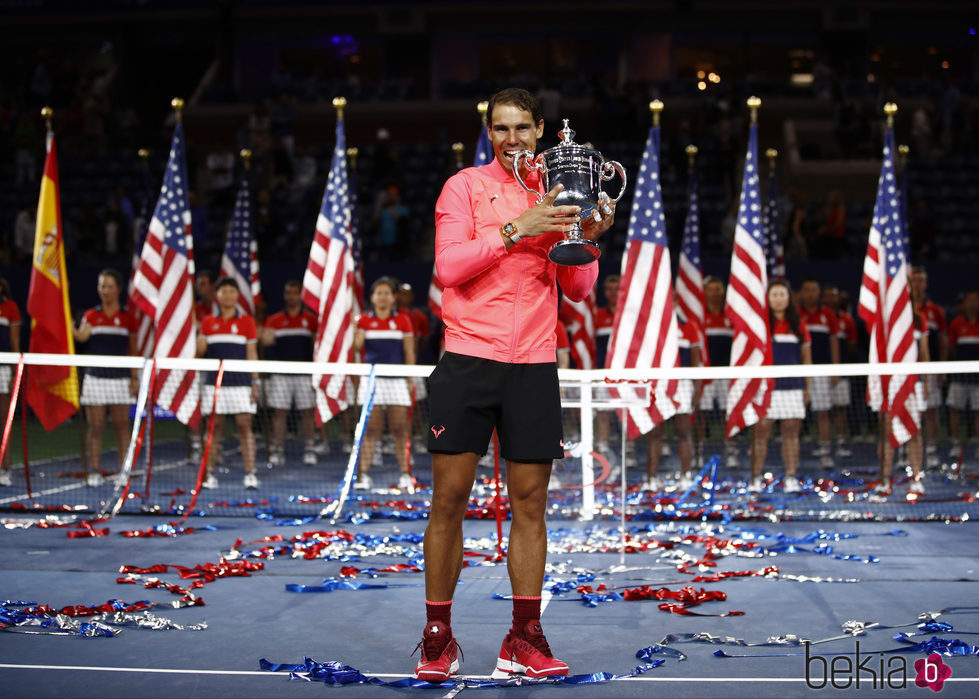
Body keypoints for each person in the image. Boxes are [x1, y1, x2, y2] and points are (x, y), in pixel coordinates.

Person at [413, 87, 614, 682]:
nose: (512, 139)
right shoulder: (464, 188)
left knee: (531, 505)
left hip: (532, 364)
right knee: (448, 501)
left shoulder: (557, 189)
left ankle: (524, 637)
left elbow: (576, 291)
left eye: (522, 128)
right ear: (489, 131)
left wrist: (586, 236)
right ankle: (437, 637)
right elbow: (448, 268)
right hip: (467, 361)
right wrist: (515, 227)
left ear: (541, 129)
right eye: (501, 129)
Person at [72, 269, 138, 487]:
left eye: (110, 286)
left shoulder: (128, 317)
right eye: (102, 286)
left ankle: (124, 470)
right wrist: (68, 322)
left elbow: (134, 349)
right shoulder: (91, 315)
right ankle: (93, 470)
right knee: (96, 427)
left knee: (121, 426)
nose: (106, 291)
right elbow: (81, 336)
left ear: (118, 289)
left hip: (120, 379)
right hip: (96, 378)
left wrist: (134, 378)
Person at [353, 277, 416, 491]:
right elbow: (356, 347)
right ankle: (364, 477)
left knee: (400, 430)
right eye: (378, 293)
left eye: (386, 293)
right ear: (371, 298)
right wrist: (355, 329)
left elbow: (409, 351)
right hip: (372, 382)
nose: (382, 297)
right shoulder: (362, 320)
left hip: (397, 380)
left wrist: (410, 378)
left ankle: (405, 475)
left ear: (393, 298)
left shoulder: (403, 320)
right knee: (371, 431)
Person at [197, 277, 260, 490]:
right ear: (217, 296)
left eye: (232, 291)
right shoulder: (207, 322)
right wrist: (197, 340)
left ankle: (250, 473)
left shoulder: (247, 322)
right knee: (214, 429)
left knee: (245, 427)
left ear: (237, 295)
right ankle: (210, 474)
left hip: (241, 384)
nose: (228, 295)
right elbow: (200, 353)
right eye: (223, 291)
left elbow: (252, 354)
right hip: (214, 385)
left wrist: (255, 382)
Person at [750, 280, 811, 494]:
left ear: (789, 297)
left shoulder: (798, 324)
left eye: (782, 294)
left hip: (793, 386)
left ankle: (791, 476)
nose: (778, 298)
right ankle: (755, 477)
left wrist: (807, 387)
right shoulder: (761, 325)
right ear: (768, 298)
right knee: (761, 432)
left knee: (791, 433)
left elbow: (806, 358)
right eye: (774, 294)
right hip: (766, 388)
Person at [260, 280, 318, 467]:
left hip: (305, 373)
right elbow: (265, 343)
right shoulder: (274, 320)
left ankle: (310, 448)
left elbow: (317, 346)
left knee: (308, 412)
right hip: (281, 374)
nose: (291, 296)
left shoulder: (310, 319)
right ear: (284, 295)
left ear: (300, 295)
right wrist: (264, 337)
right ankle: (277, 449)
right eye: (288, 292)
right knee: (280, 413)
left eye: (295, 292)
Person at [644, 316, 703, 491]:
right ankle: (651, 478)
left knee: (683, 431)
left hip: (682, 384)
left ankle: (686, 476)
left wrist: (697, 389)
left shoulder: (689, 327)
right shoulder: (652, 326)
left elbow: (695, 362)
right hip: (658, 383)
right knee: (655, 433)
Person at [875, 311, 929, 498]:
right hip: (886, 382)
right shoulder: (882, 317)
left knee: (915, 431)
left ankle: (916, 478)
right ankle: (884, 479)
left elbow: (924, 352)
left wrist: (927, 380)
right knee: (886, 430)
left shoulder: (918, 319)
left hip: (913, 382)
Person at [694, 276, 737, 467]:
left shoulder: (731, 316)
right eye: (710, 289)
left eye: (718, 289)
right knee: (701, 414)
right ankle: (698, 452)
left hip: (727, 375)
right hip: (706, 375)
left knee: (729, 414)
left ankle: (732, 450)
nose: (714, 293)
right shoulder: (699, 316)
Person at [798, 278, 839, 466]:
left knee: (823, 412)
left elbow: (834, 342)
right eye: (806, 290)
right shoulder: (796, 315)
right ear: (801, 293)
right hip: (798, 372)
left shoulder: (828, 315)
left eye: (814, 290)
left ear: (819, 293)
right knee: (794, 416)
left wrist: (835, 368)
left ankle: (825, 451)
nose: (810, 294)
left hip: (822, 370)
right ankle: (793, 451)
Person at [910, 266, 947, 466]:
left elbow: (942, 342)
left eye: (921, 280)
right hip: (906, 372)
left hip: (928, 369)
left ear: (925, 283)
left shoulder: (935, 311)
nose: (917, 284)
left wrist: (940, 368)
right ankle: (904, 453)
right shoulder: (901, 311)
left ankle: (931, 449)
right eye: (914, 280)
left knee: (931, 410)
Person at [945, 290, 979, 460]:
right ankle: (956, 444)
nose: (973, 303)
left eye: (975, 300)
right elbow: (951, 348)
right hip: (960, 376)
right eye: (969, 300)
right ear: (964, 304)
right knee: (954, 410)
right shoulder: (956, 324)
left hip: (978, 377)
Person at [594, 275, 619, 456]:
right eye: (610, 289)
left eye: (617, 288)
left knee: (628, 413)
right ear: (605, 293)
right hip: (603, 372)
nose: (614, 293)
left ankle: (629, 449)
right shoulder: (597, 316)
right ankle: (602, 446)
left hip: (626, 374)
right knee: (603, 412)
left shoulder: (631, 317)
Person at [831, 287, 859, 451]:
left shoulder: (847, 320)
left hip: (842, 371)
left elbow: (852, 346)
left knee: (841, 408)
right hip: (817, 371)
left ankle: (842, 441)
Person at [0, 278, 21, 487]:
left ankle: (5, 468)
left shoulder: (10, 307)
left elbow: (14, 342)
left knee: (3, 421)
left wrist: (15, 371)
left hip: (2, 368)